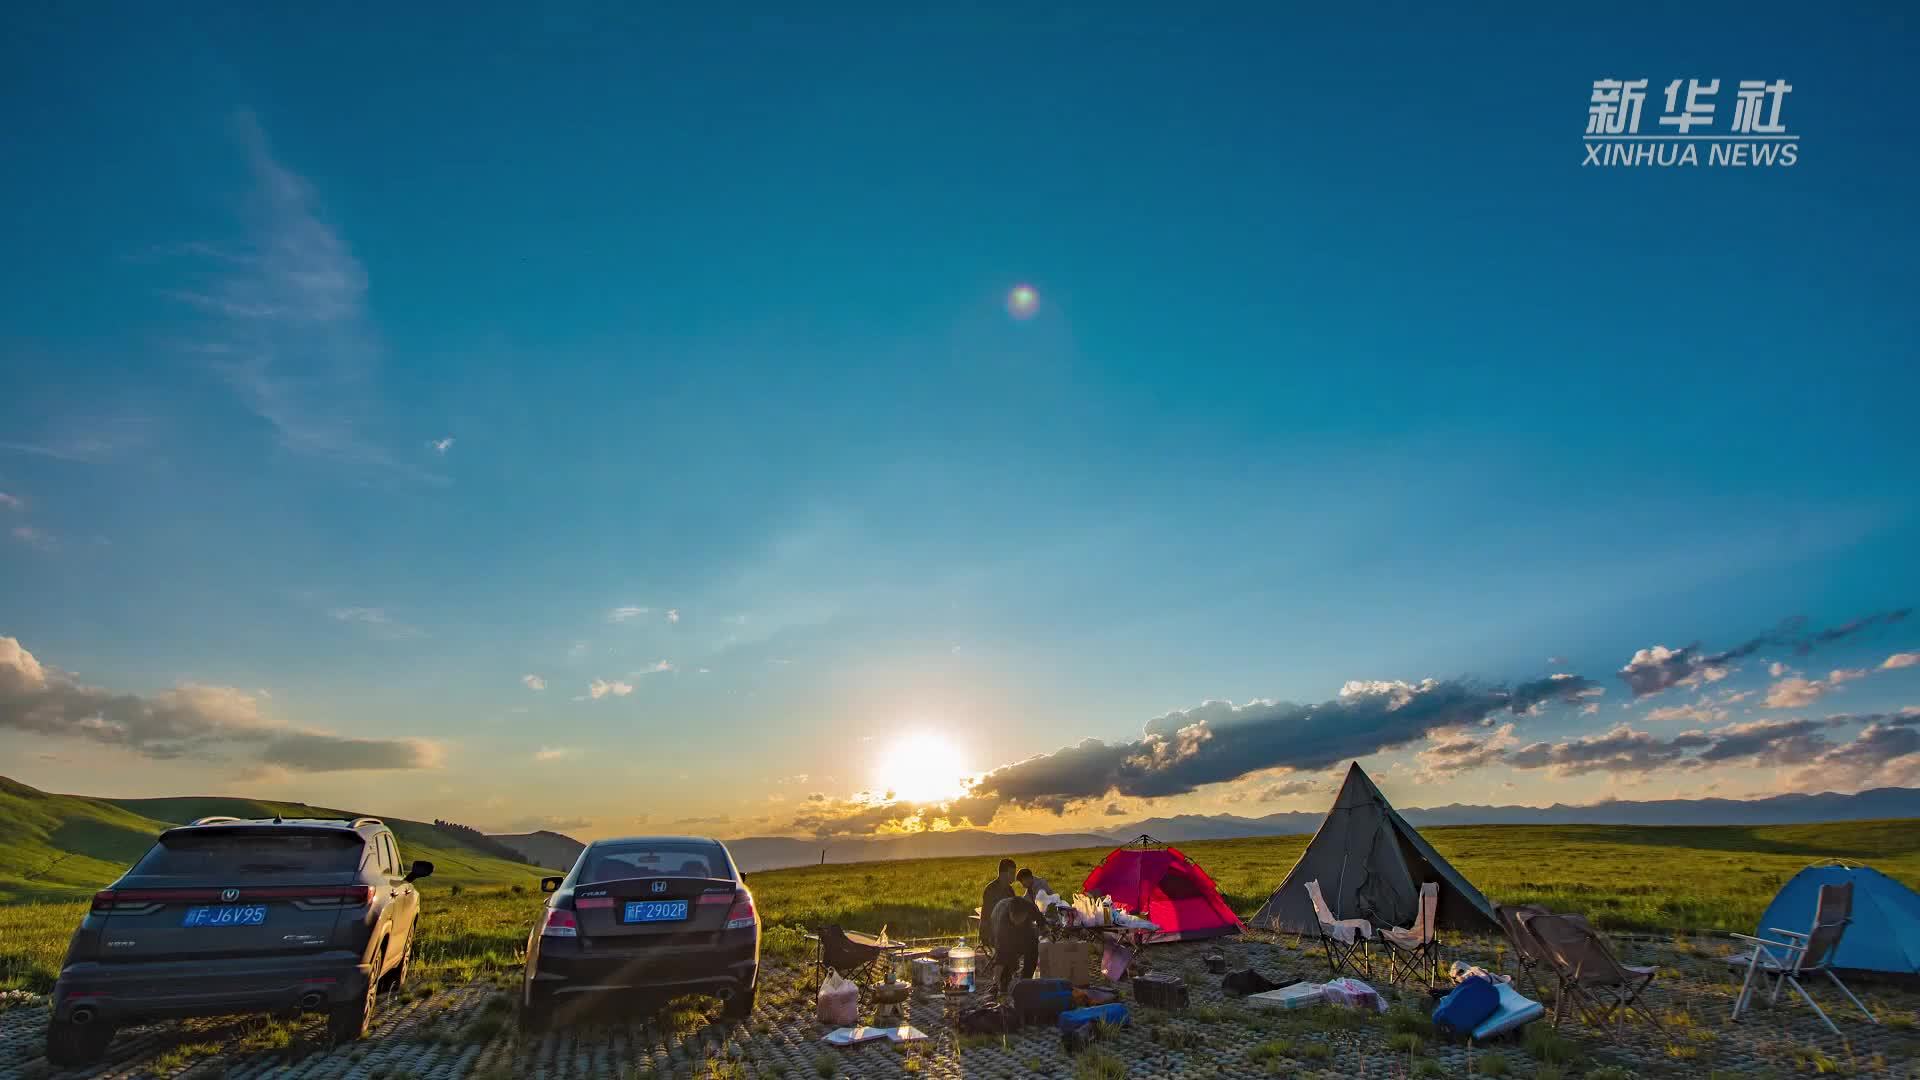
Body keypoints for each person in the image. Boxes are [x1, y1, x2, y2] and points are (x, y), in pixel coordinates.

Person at [989, 893, 1040, 993]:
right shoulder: (1002, 924)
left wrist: (1045, 929)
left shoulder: (1030, 908)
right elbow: (1001, 954)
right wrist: (996, 979)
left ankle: (1026, 981)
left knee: (1033, 946)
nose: (1017, 922)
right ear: (1010, 913)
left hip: (1025, 926)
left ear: (1026, 915)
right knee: (1008, 954)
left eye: (1019, 919)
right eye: (1015, 919)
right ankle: (1003, 982)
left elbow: (1040, 919)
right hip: (997, 913)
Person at [979, 858, 1016, 944]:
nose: (1014, 878)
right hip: (992, 933)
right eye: (1012, 873)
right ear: (1003, 874)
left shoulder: (1010, 890)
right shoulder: (991, 890)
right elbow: (988, 916)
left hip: (1004, 931)